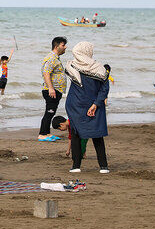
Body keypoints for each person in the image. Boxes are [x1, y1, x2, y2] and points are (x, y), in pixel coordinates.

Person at [64, 41, 110, 174]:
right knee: (97, 135)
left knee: (77, 135)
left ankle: (76, 166)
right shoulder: (99, 68)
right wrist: (96, 104)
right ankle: (103, 166)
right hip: (93, 104)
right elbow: (104, 89)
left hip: (75, 105)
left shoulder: (71, 65)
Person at [39, 37, 68, 141]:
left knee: (51, 112)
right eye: (63, 45)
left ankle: (47, 133)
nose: (65, 47)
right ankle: (42, 134)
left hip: (55, 90)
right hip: (52, 90)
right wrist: (51, 88)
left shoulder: (55, 58)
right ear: (56, 46)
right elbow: (46, 72)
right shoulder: (52, 58)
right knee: (49, 112)